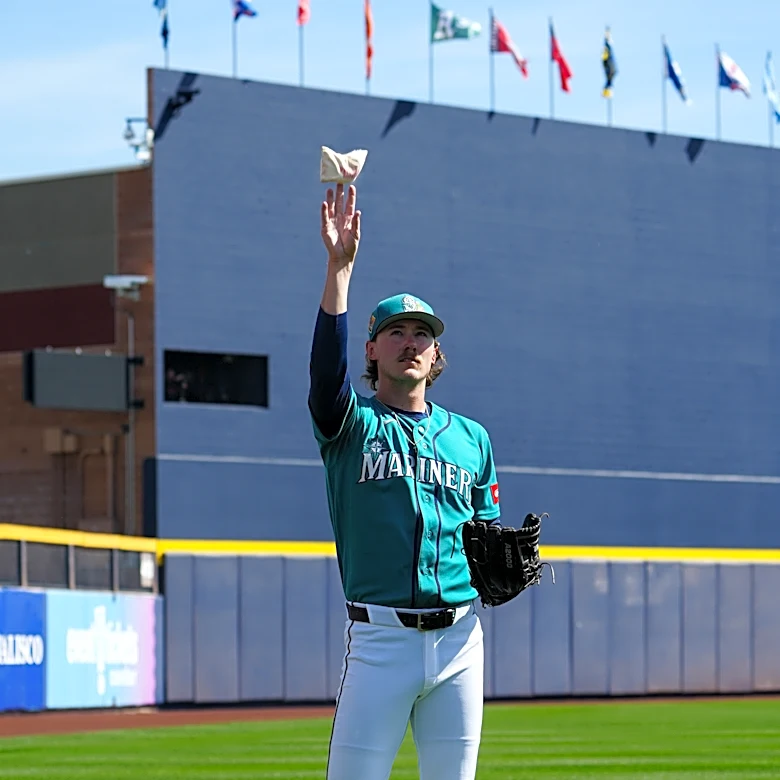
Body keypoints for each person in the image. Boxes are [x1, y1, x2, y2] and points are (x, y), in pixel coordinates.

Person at [308, 183, 502, 780]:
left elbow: (486, 533)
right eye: (396, 331)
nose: (411, 342)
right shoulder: (351, 425)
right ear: (372, 347)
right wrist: (339, 271)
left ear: (436, 353)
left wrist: (496, 559)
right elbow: (326, 378)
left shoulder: (472, 438)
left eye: (422, 334)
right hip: (381, 642)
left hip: (460, 639)